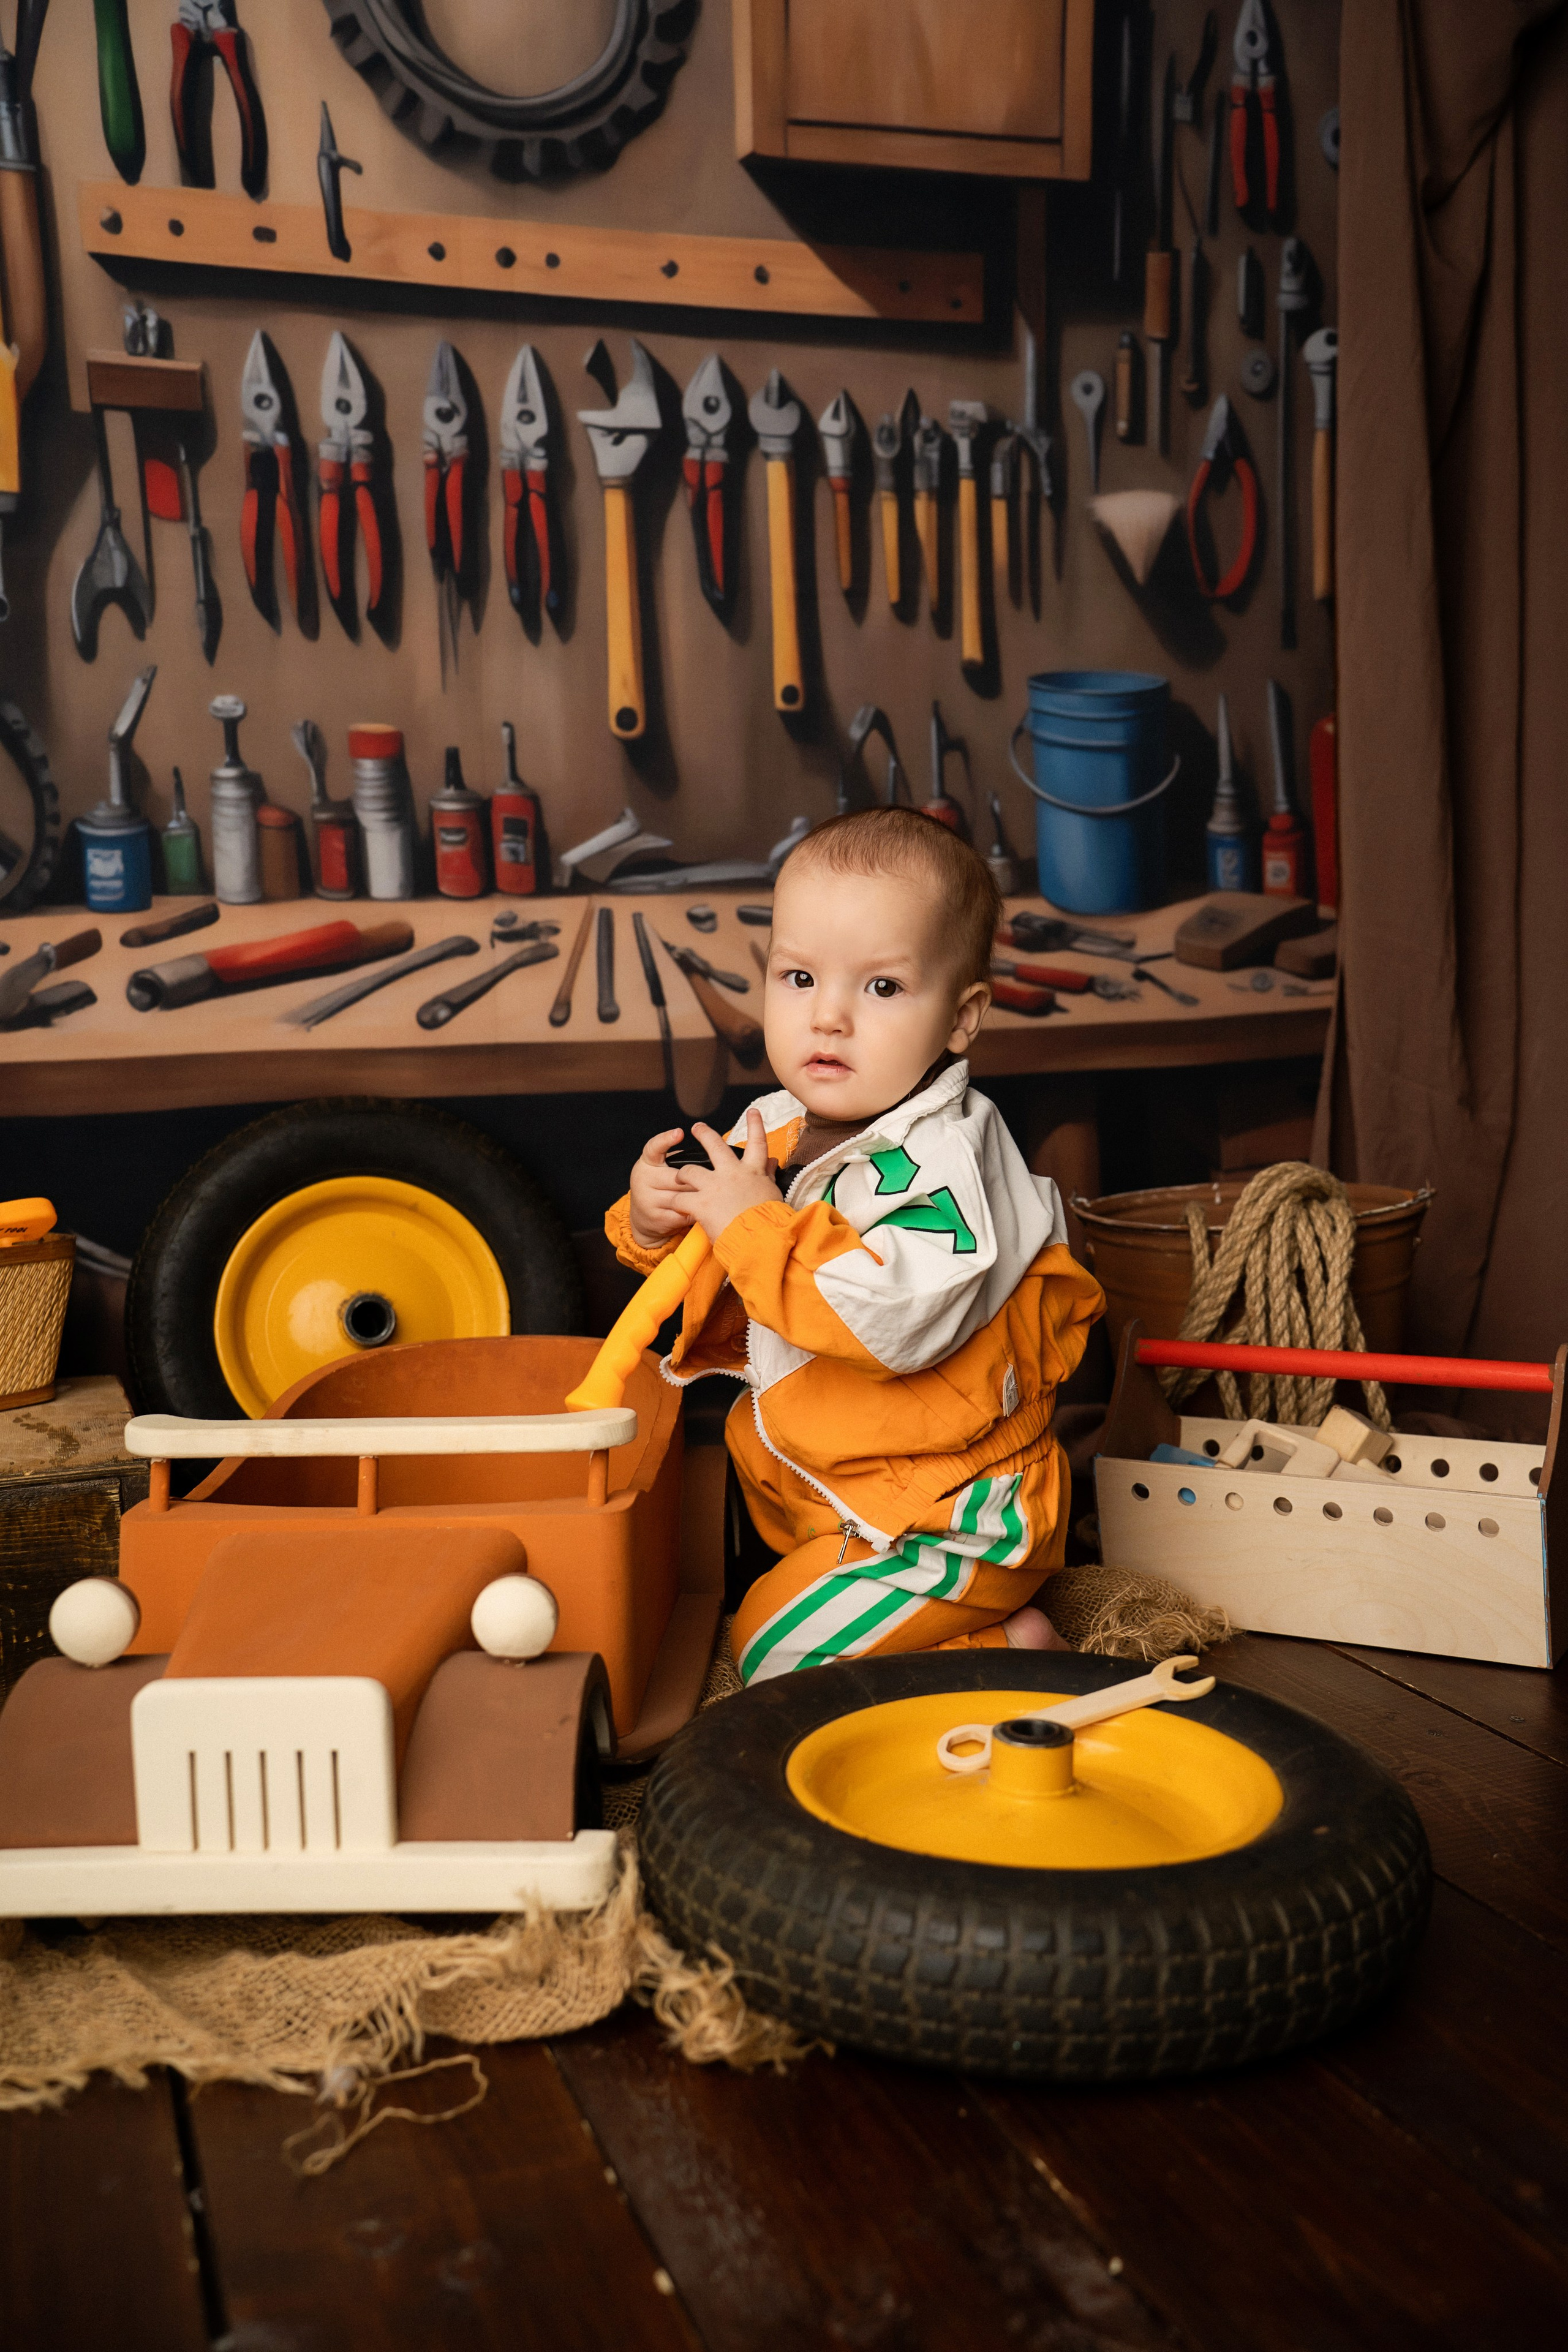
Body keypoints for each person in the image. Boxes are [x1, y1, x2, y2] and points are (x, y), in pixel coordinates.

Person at [605, 806, 1104, 1683]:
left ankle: (1011, 1650)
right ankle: (945, 1632)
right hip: (847, 1487)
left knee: (770, 1656)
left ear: (961, 1017)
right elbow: (725, 1256)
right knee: (743, 1597)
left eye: (879, 988)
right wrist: (654, 1222)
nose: (827, 1017)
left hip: (951, 1516)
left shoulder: (948, 1169)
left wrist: (747, 1220)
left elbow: (881, 1319)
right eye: (798, 978)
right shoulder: (787, 1122)